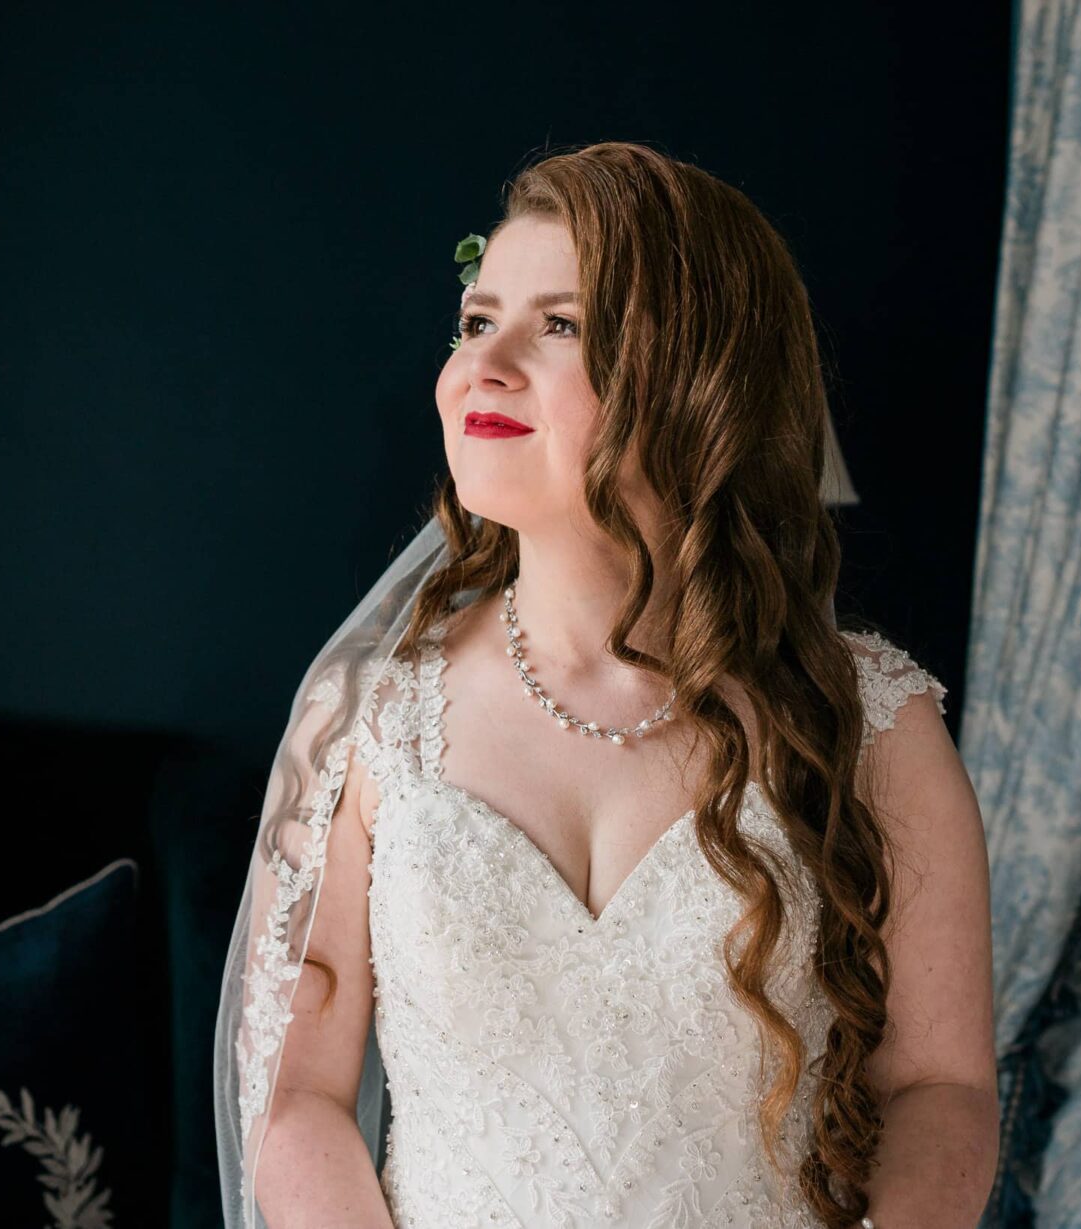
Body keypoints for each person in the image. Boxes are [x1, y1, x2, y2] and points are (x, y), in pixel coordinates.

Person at [213, 140, 999, 1228]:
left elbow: (940, 1088)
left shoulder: (874, 726)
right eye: (478, 320)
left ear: (697, 377)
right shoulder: (366, 723)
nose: (483, 365)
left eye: (561, 325)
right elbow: (292, 1094)